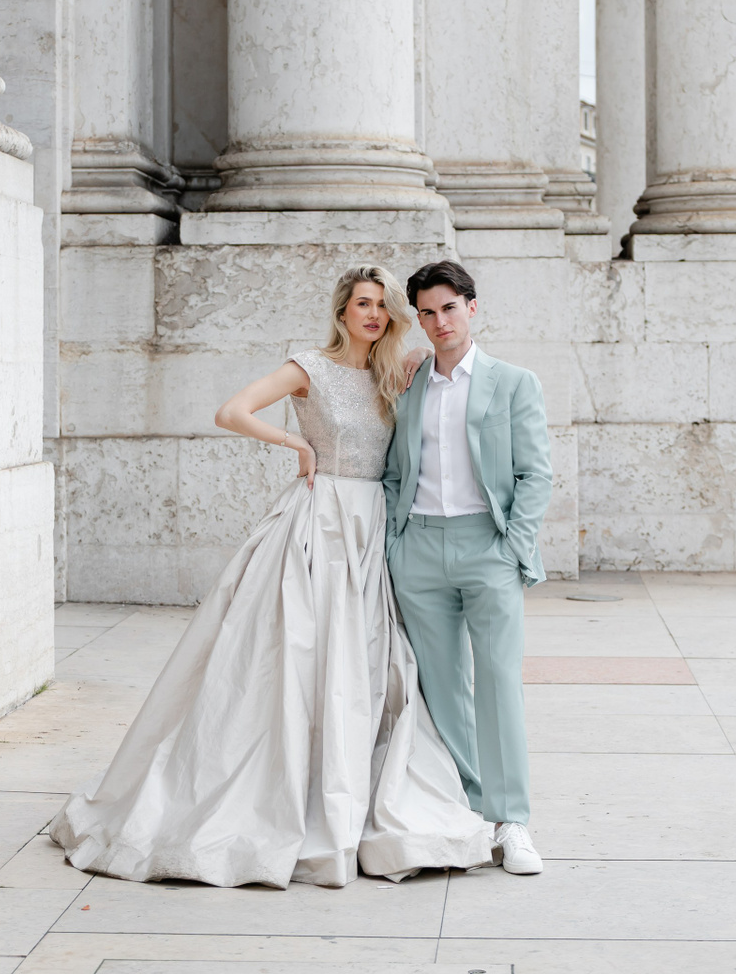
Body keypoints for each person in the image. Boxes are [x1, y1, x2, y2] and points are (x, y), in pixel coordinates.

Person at [47, 265, 495, 888]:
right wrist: (296, 445)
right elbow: (231, 411)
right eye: (362, 304)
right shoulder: (309, 367)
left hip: (372, 528)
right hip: (320, 522)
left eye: (382, 305)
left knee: (362, 662)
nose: (373, 314)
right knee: (295, 657)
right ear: (341, 311)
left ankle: (356, 787)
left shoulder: (396, 371)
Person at [383, 259, 552, 876]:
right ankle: (472, 813)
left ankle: (512, 822)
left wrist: (512, 548)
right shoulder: (407, 385)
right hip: (420, 549)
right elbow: (394, 470)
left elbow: (536, 474)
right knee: (443, 689)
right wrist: (396, 543)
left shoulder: (514, 383)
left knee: (500, 682)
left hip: (488, 547)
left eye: (449, 308)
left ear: (471, 308)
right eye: (427, 313)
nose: (439, 322)